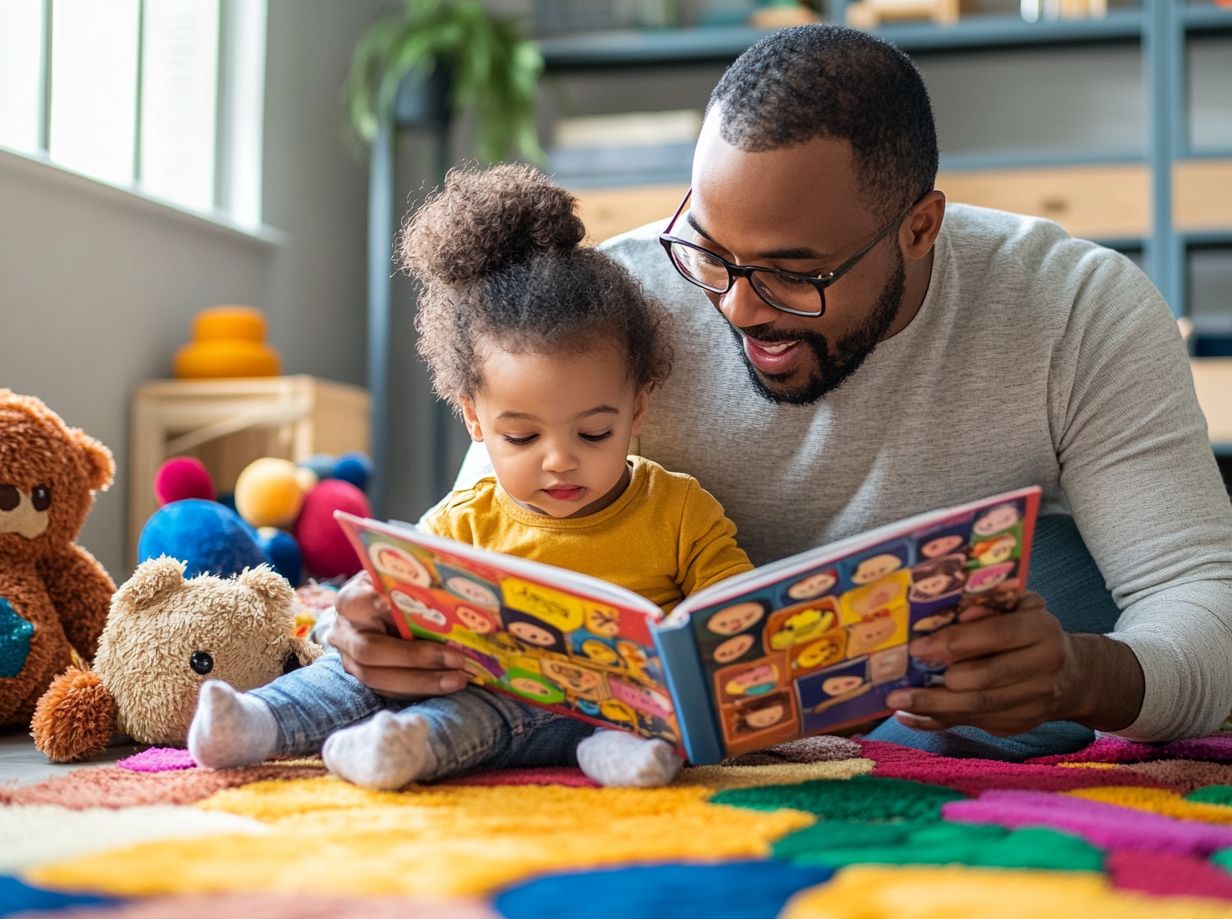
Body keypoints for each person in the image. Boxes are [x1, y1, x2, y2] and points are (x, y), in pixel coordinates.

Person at [327, 24, 1232, 759]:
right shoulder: (611, 303)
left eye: (796, 273)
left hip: (960, 694)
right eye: (711, 250)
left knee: (1066, 585)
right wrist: (403, 626)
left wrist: (1082, 676)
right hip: (684, 713)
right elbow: (478, 531)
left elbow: (1201, 591)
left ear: (920, 228)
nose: (737, 303)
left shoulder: (1078, 305)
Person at [187, 164, 753, 788]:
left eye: (594, 433)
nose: (559, 460)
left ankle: (418, 748)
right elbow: (388, 612)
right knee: (357, 670)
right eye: (521, 436)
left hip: (602, 705)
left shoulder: (678, 511)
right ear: (475, 421)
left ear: (637, 409)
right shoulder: (464, 519)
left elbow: (737, 610)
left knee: (492, 709)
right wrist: (370, 617)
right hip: (469, 672)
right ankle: (258, 720)